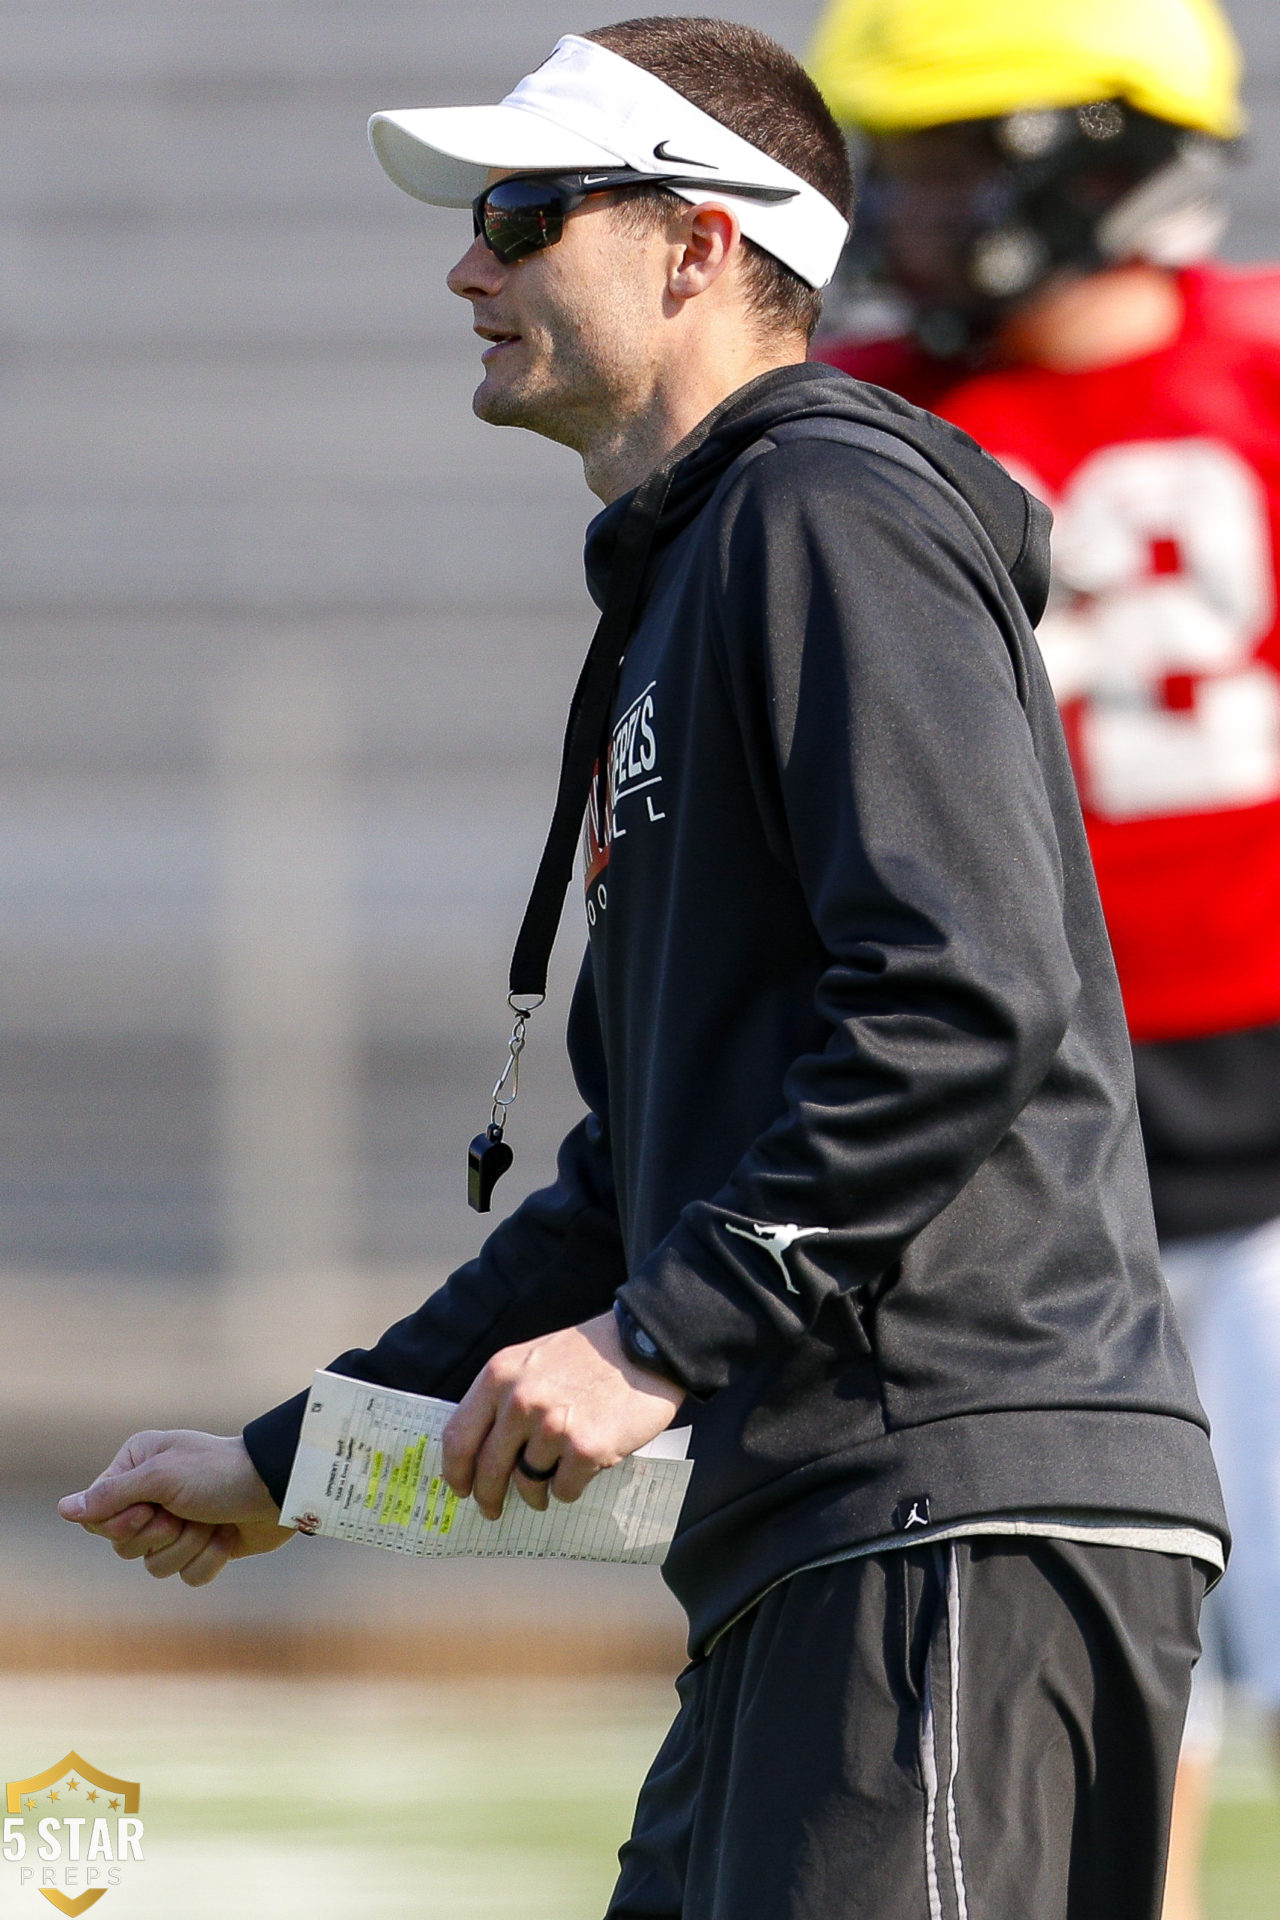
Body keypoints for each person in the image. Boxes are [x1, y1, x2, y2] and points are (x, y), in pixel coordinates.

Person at [59, 18, 1227, 1918]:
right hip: (828, 1540)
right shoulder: (705, 568)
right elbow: (631, 1185)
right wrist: (288, 1470)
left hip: (945, 1514)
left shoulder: (825, 511)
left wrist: (655, 1346)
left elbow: (962, 992)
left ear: (697, 244)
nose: (468, 263)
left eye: (522, 214)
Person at [808, 1, 1280, 1912]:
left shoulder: (1251, 370)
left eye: (958, 154)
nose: (915, 206)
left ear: (1101, 148)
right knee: (1108, 1673)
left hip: (1258, 1075)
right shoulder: (861, 419)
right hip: (1018, 1122)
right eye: (902, 157)